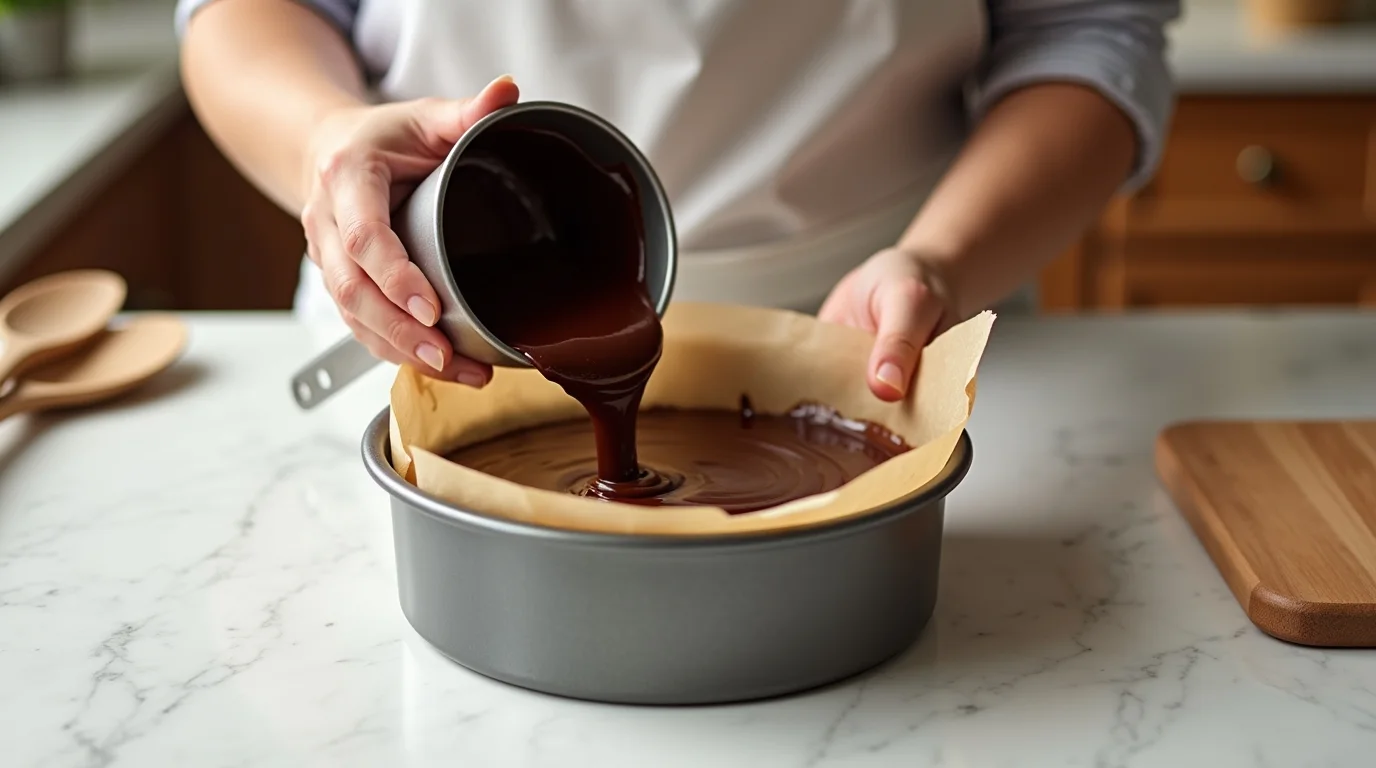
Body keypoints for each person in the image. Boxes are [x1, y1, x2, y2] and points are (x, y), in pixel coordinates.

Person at [176, 0, 1178, 402]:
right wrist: (323, 136)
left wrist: (939, 261)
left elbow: (1086, 30)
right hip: (430, 327)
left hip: (887, 332)